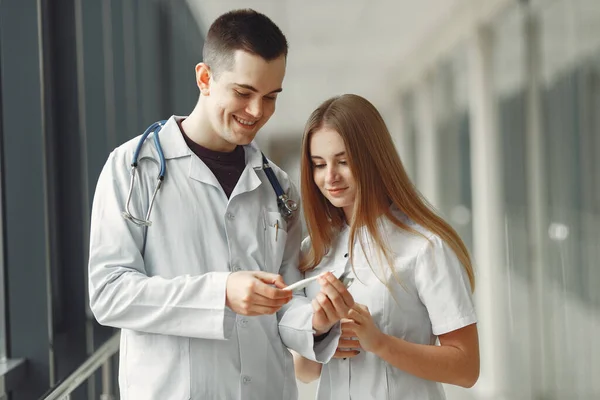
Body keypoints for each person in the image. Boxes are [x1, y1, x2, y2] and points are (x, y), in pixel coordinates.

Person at [88, 9, 352, 400]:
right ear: (205, 78)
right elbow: (109, 294)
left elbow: (286, 301)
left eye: (270, 97)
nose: (257, 112)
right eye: (243, 93)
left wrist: (315, 321)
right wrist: (220, 294)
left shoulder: (278, 188)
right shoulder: (133, 169)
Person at [292, 94, 480, 399]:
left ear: (372, 158)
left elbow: (466, 367)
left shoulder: (425, 247)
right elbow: (305, 371)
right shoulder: (313, 252)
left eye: (343, 161)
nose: (330, 177)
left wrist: (378, 342)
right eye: (318, 165)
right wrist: (321, 335)